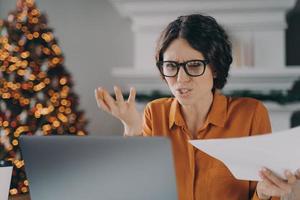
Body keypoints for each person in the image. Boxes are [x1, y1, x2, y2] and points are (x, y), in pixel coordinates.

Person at [95, 14, 299, 200]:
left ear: (216, 68)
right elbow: (138, 189)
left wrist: (262, 194)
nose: (180, 79)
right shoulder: (155, 113)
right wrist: (131, 127)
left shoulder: (251, 114)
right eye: (171, 66)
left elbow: (267, 190)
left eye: (193, 66)